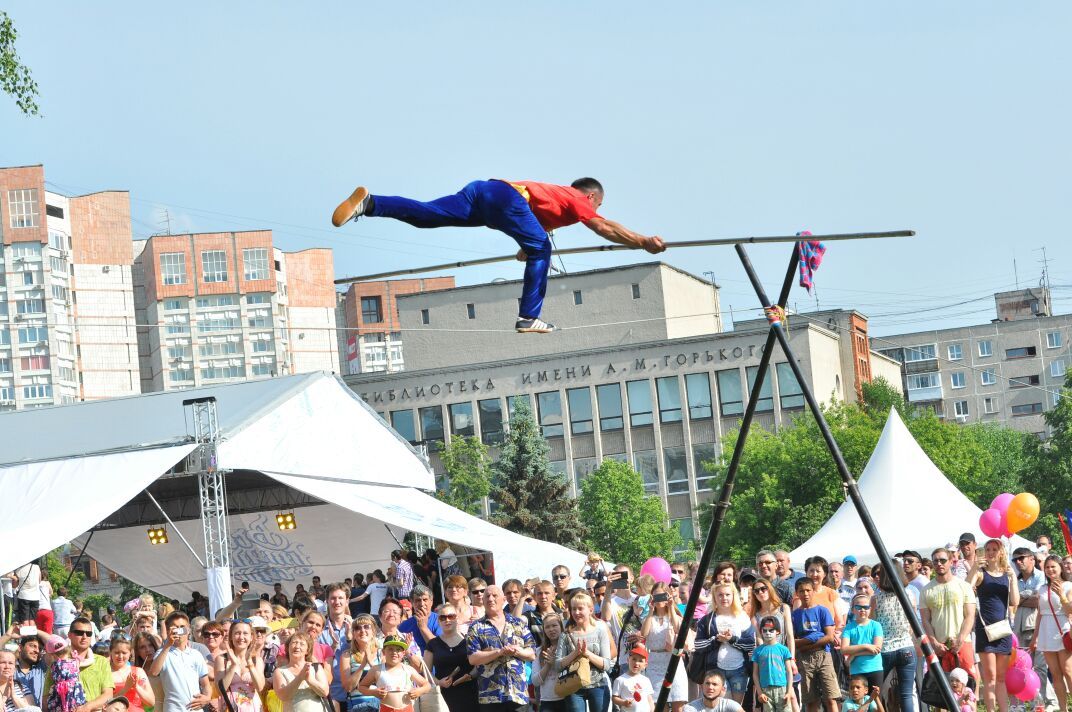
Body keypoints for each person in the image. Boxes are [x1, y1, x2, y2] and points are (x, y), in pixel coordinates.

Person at [330, 178, 666, 333]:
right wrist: (642, 242)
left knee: (427, 216)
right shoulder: (577, 198)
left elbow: (530, 226)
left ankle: (371, 203)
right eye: (598, 206)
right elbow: (605, 229)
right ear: (592, 196)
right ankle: (528, 317)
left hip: (484, 192)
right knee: (542, 249)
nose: (594, 211)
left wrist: (525, 247)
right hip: (504, 198)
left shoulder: (555, 204)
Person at [967, 538, 1018, 712]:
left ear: (1001, 552)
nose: (990, 552)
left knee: (1001, 678)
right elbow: (966, 591)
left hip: (1003, 630)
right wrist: (974, 568)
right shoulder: (981, 573)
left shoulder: (1007, 573)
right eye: (988, 549)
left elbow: (1014, 601)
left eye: (994, 549)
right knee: (990, 677)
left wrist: (1013, 578)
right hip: (985, 629)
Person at [466, 584, 536, 711]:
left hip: (518, 694)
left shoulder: (518, 623)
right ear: (483, 601)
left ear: (503, 599)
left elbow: (531, 653)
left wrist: (516, 651)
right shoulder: (476, 627)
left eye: (495, 595)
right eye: (487, 596)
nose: (491, 599)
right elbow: (473, 658)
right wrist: (499, 652)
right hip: (490, 696)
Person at [920, 548, 977, 678]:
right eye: (935, 561)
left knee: (966, 686)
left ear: (951, 562)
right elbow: (925, 620)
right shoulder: (926, 590)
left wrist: (960, 639)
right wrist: (934, 643)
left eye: (943, 560)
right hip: (939, 647)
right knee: (939, 688)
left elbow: (970, 616)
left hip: (962, 643)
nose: (939, 564)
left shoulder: (964, 586)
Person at [1012, 547, 1058, 711]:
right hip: (1018, 627)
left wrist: (1019, 599)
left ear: (1032, 559)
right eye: (1015, 559)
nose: (1018, 562)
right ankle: (1047, 701)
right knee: (1023, 667)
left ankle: (1041, 703)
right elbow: (1011, 602)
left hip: (1037, 626)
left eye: (1022, 558)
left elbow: (1038, 601)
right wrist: (1024, 597)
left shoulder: (1041, 576)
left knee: (1039, 666)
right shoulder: (1014, 580)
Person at [693, 583, 754, 704]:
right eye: (720, 595)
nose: (724, 598)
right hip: (716, 670)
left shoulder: (742, 616)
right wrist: (716, 640)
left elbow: (750, 644)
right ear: (714, 597)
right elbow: (698, 645)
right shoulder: (708, 619)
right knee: (719, 706)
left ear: (733, 596)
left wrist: (731, 640)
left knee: (736, 707)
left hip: (739, 670)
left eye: (727, 594)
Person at [555, 591, 613, 711]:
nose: (576, 612)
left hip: (598, 685)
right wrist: (575, 653)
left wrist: (587, 653)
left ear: (590, 610)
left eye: (580, 608)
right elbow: (557, 665)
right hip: (573, 687)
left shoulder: (600, 632)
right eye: (573, 609)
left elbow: (607, 665)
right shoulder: (565, 635)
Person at [870, 564, 917, 712]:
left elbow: (873, 624)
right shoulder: (909, 594)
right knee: (906, 695)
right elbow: (912, 623)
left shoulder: (876, 597)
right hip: (906, 646)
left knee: (874, 692)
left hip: (885, 649)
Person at [145, 612, 211, 712]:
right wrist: (168, 644)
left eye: (182, 627)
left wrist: (207, 697)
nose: (179, 631)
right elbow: (153, 672)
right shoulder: (162, 653)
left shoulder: (196, 654)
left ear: (188, 629)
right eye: (175, 628)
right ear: (168, 631)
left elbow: (205, 684)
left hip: (196, 709)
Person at [45, 617, 113, 712]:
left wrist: (86, 707)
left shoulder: (102, 661)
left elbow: (108, 695)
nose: (85, 636)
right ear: (69, 635)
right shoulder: (57, 663)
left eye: (89, 634)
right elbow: (45, 699)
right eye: (79, 633)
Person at [1031, 555, 1072, 712]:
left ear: (1060, 567)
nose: (1050, 570)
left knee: (1068, 671)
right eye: (1047, 567)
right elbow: (1040, 614)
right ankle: (1063, 708)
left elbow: (1070, 611)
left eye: (1053, 566)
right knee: (1055, 674)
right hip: (1046, 632)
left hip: (1063, 629)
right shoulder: (1042, 588)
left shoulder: (1068, 586)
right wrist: (1035, 638)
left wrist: (1061, 595)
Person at [790, 579, 838, 712]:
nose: (805, 594)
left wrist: (804, 644)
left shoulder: (822, 611)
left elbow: (828, 637)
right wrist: (812, 638)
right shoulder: (795, 615)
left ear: (813, 591)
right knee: (810, 700)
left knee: (830, 698)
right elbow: (792, 640)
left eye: (808, 590)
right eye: (801, 591)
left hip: (823, 656)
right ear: (797, 593)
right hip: (804, 659)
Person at [640, 582, 687, 711]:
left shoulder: (674, 615)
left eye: (662, 596)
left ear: (668, 596)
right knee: (660, 705)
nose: (659, 599)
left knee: (678, 704)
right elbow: (643, 634)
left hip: (673, 661)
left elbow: (678, 630)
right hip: (654, 662)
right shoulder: (649, 617)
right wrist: (650, 610)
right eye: (656, 596)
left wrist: (671, 607)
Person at [423, 603, 477, 712]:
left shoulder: (469, 641)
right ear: (438, 621)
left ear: (457, 618)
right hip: (443, 695)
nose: (447, 620)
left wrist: (470, 676)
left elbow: (479, 665)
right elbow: (426, 672)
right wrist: (439, 682)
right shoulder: (432, 644)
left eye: (451, 616)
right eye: (443, 617)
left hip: (469, 693)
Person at [215, 621, 264, 712]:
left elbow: (260, 687)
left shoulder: (257, 660)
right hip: (229, 708)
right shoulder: (222, 659)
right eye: (237, 633)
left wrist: (250, 663)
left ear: (251, 637)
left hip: (254, 708)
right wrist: (233, 666)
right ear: (231, 637)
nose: (241, 637)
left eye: (245, 633)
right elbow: (220, 690)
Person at [272, 633, 330, 712]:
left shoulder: (316, 667)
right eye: (294, 643)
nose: (297, 646)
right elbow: (283, 696)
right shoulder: (280, 671)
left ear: (307, 650)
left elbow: (324, 692)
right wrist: (300, 678)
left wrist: (310, 680)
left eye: (302, 644)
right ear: (288, 648)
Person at [337, 613, 381, 712]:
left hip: (379, 704)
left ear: (373, 631)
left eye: (366, 627)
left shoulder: (381, 653)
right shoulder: (347, 655)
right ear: (353, 633)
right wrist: (362, 665)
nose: (362, 631)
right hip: (357, 706)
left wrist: (371, 664)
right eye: (357, 628)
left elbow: (387, 682)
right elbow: (348, 687)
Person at [840, 595, 883, 690]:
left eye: (866, 607)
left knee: (876, 701)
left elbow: (876, 649)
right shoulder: (848, 627)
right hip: (856, 670)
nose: (862, 610)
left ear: (870, 609)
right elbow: (843, 649)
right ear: (853, 609)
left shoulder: (876, 625)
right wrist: (866, 646)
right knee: (858, 702)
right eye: (858, 607)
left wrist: (853, 654)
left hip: (875, 668)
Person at [752, 616, 793, 712]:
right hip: (765, 690)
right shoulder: (757, 651)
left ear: (778, 632)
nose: (767, 633)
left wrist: (789, 691)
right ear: (761, 631)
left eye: (771, 630)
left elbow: (789, 671)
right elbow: (755, 673)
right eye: (765, 630)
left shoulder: (784, 649)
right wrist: (759, 692)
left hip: (782, 689)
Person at [108, 638, 154, 712]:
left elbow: (151, 702)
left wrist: (136, 687)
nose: (120, 656)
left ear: (130, 653)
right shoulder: (106, 673)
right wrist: (126, 688)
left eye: (124, 653)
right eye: (116, 652)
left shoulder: (139, 671)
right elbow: (105, 703)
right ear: (110, 652)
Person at [44, 635, 86, 712]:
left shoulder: (54, 665)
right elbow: (90, 661)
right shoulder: (76, 662)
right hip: (75, 692)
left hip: (60, 692)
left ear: (52, 655)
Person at [612, 645, 655, 712]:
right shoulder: (620, 679)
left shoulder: (646, 680)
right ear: (628, 660)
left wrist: (652, 710)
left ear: (645, 665)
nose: (636, 663)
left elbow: (649, 699)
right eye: (634, 659)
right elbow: (614, 698)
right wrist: (623, 702)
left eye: (640, 661)